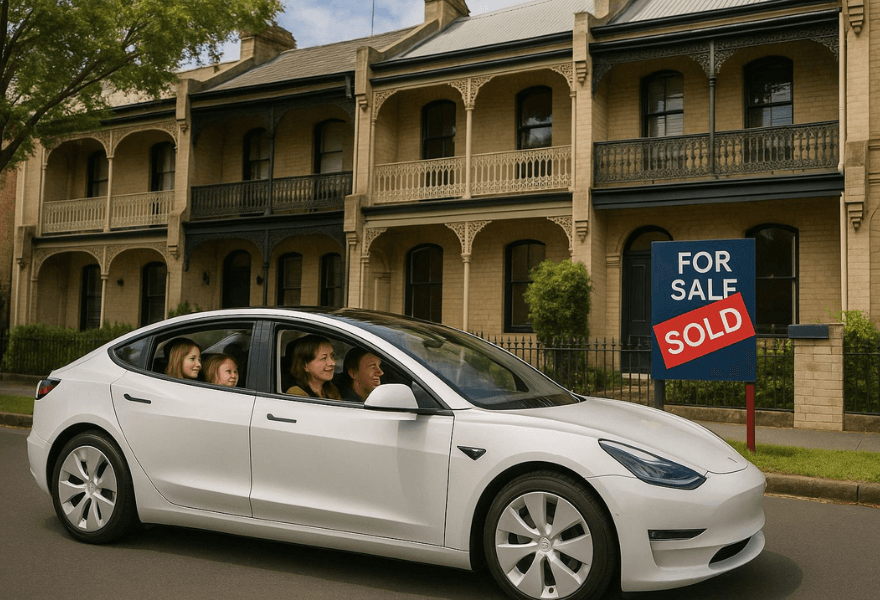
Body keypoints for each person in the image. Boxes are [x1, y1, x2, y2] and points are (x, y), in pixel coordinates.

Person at [286, 334, 342, 399]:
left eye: (332, 356)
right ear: (305, 365)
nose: (332, 363)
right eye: (324, 358)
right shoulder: (297, 394)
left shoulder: (331, 388)